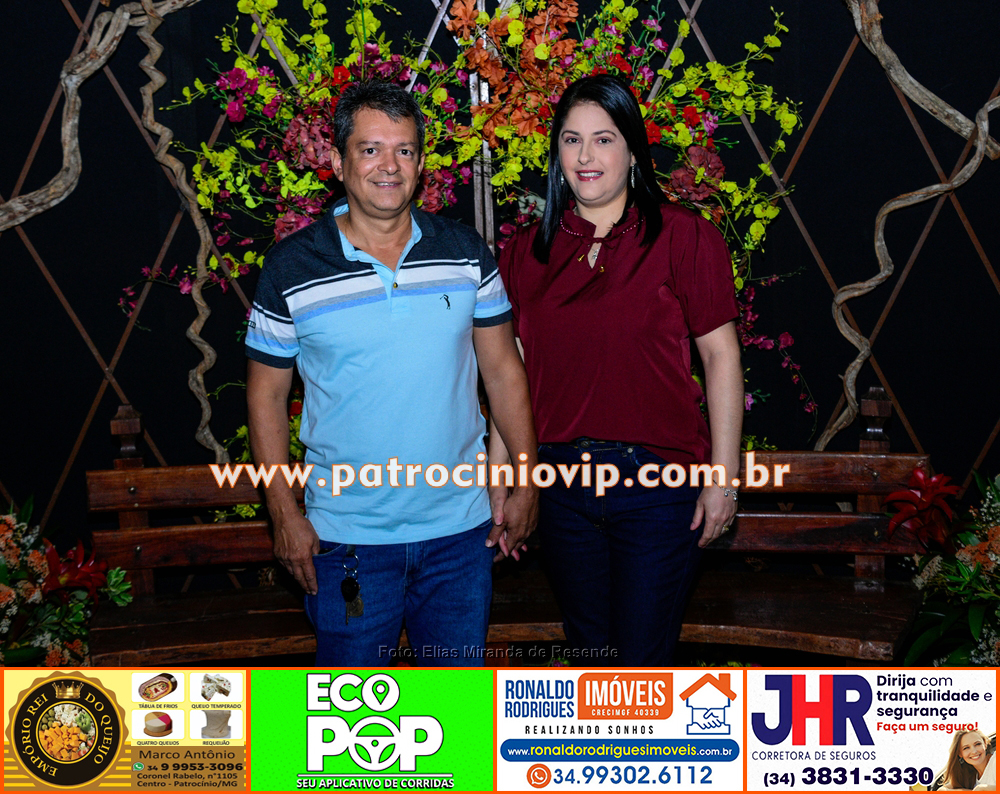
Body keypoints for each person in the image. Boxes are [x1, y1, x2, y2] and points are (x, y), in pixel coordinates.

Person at [245, 79, 538, 666]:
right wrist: (283, 513)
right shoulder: (292, 267)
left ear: (421, 163)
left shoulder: (465, 253)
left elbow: (504, 371)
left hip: (460, 535)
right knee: (352, 715)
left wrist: (527, 481)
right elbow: (265, 398)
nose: (389, 165)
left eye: (404, 150)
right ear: (338, 162)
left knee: (452, 707)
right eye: (370, 149)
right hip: (345, 540)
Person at [491, 74, 743, 666]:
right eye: (572, 139)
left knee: (639, 665)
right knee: (590, 657)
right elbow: (509, 375)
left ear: (632, 151)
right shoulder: (525, 251)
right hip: (558, 487)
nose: (586, 156)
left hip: (658, 486)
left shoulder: (685, 236)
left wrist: (724, 479)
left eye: (603, 139)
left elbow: (721, 357)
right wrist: (501, 479)